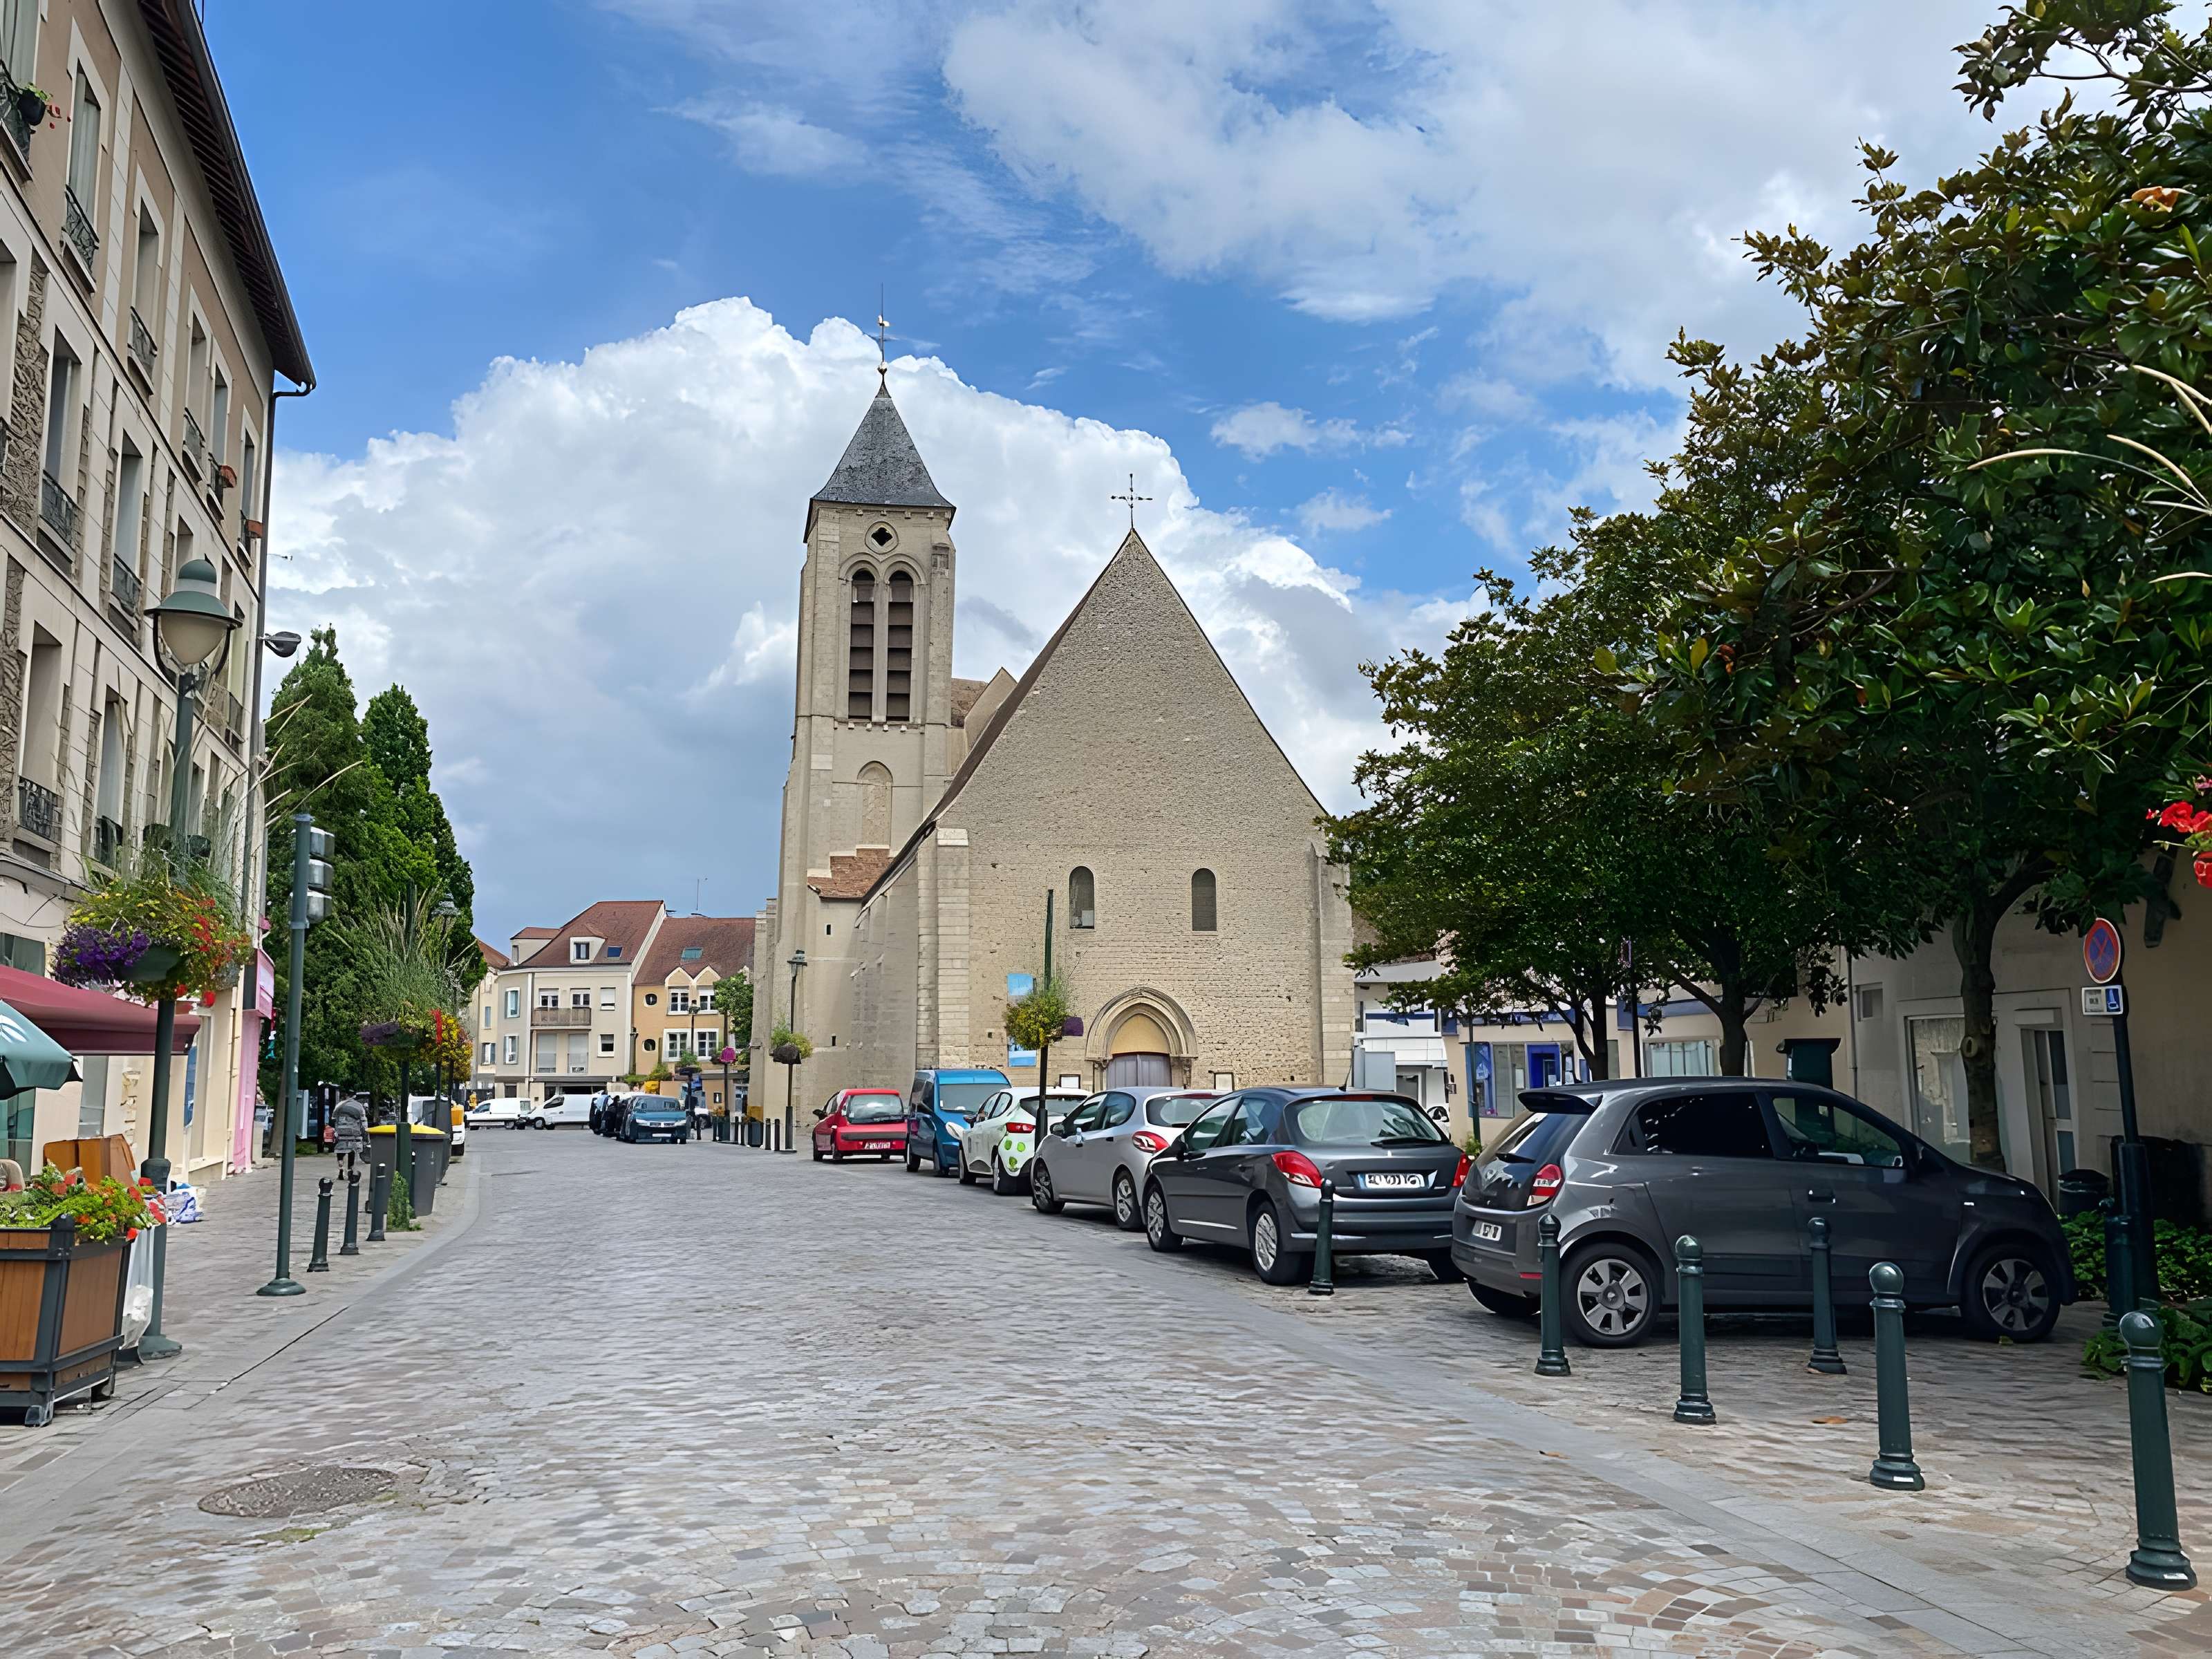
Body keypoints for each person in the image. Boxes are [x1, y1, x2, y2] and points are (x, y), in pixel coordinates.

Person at [330, 1090, 370, 1183]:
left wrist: (337, 1131)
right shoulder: (359, 1106)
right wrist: (365, 1135)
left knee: (340, 1152)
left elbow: (333, 1119)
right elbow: (364, 1122)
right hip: (353, 1134)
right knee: (352, 1152)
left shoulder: (339, 1106)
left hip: (341, 1133)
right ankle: (350, 1171)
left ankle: (341, 1169)